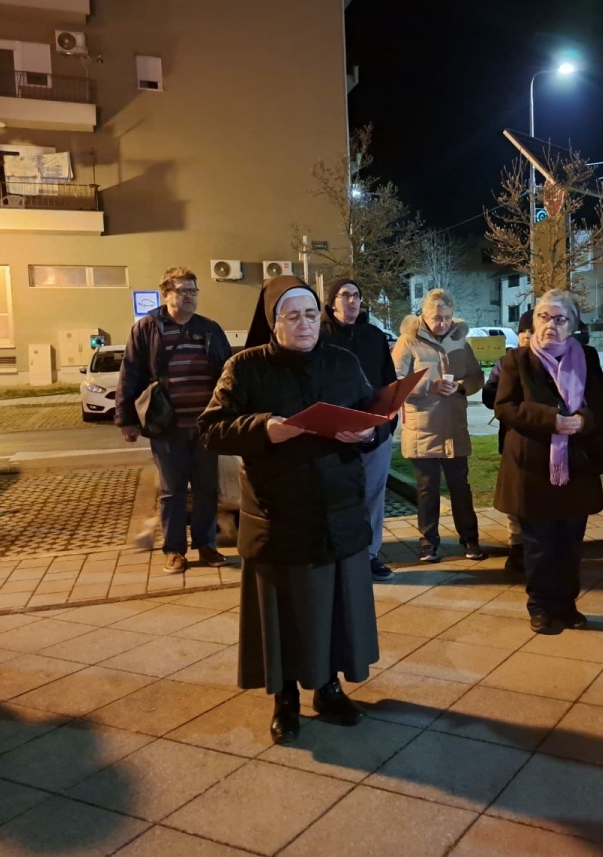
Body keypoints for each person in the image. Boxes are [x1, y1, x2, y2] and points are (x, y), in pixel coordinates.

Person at [198, 277, 380, 745]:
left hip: (337, 510)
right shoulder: (245, 367)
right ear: (273, 322)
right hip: (279, 515)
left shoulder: (343, 361)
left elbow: (373, 414)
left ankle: (328, 688)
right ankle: (285, 700)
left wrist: (368, 433)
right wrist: (264, 429)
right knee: (287, 614)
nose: (305, 324)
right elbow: (211, 428)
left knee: (334, 610)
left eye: (311, 314)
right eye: (292, 315)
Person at [494, 290, 603, 634]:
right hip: (532, 467)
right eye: (544, 317)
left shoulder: (587, 357)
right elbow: (505, 407)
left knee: (570, 543)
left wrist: (583, 421)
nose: (550, 325)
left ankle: (568, 604)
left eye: (560, 319)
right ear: (534, 323)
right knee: (538, 545)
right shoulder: (517, 359)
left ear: (573, 325)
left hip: (575, 468)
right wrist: (551, 419)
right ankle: (541, 607)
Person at [117, 267, 232, 576]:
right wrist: (126, 420)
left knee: (208, 489)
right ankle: (174, 550)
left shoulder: (210, 329)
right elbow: (130, 375)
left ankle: (206, 545)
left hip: (206, 426)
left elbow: (227, 375)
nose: (189, 297)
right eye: (183, 291)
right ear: (166, 294)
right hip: (167, 427)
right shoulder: (147, 328)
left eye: (193, 291)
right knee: (173, 491)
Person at [392, 289, 485, 563]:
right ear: (424, 315)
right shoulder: (407, 341)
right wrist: (428, 385)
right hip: (423, 428)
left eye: (446, 317)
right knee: (427, 489)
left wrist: (461, 386)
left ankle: (470, 539)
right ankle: (428, 544)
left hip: (454, 427)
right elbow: (396, 381)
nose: (442, 323)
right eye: (436, 317)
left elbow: (476, 377)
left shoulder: (461, 343)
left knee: (461, 487)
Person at [321, 278, 397, 582]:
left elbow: (389, 384)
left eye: (356, 295)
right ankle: (335, 556)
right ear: (331, 301)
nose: (352, 301)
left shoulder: (374, 336)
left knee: (373, 495)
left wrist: (386, 426)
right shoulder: (319, 336)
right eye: (345, 295)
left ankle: (369, 555)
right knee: (334, 496)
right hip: (332, 433)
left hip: (374, 431)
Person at [481, 328, 531, 573]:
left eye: (534, 331)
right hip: (512, 438)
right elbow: (490, 396)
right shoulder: (505, 362)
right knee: (515, 496)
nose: (530, 337)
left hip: (546, 443)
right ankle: (517, 544)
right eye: (525, 332)